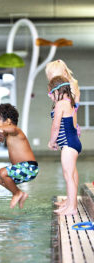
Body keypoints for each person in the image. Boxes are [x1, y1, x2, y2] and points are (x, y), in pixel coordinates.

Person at [0, 103, 39, 209]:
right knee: (0, 178)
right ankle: (19, 193)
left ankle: (17, 194)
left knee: (2, 172)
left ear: (8, 122)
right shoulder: (9, 135)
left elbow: (11, 129)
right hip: (22, 169)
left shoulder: (16, 131)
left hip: (29, 167)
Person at [48, 76, 82, 216]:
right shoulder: (70, 103)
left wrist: (51, 142)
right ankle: (69, 204)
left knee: (68, 176)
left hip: (68, 144)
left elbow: (56, 127)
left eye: (50, 93)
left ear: (57, 90)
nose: (50, 97)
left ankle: (72, 208)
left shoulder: (61, 104)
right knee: (70, 176)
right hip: (73, 143)